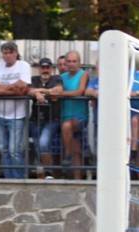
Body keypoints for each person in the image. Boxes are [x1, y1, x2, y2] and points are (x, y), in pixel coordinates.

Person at [0, 41, 31, 179]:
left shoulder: (24, 66)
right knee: (3, 149)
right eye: (4, 53)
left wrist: (2, 88)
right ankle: (8, 179)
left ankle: (18, 179)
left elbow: (23, 89)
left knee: (15, 150)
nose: (6, 56)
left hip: (17, 115)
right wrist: (13, 88)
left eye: (9, 53)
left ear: (15, 53)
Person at [54, 50, 88, 179]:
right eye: (69, 61)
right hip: (64, 114)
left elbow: (79, 91)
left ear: (79, 63)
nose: (72, 64)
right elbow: (56, 90)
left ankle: (66, 155)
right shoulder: (61, 77)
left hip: (79, 116)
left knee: (67, 126)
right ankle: (77, 179)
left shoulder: (83, 74)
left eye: (74, 61)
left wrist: (61, 94)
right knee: (76, 149)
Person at [28, 58, 62, 178]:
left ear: (52, 69)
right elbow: (28, 90)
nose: (45, 70)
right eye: (43, 67)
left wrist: (41, 91)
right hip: (35, 119)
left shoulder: (57, 78)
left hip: (52, 119)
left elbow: (58, 91)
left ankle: (49, 172)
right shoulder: (34, 79)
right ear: (39, 68)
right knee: (38, 148)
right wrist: (36, 94)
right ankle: (41, 176)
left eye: (48, 67)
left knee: (43, 143)